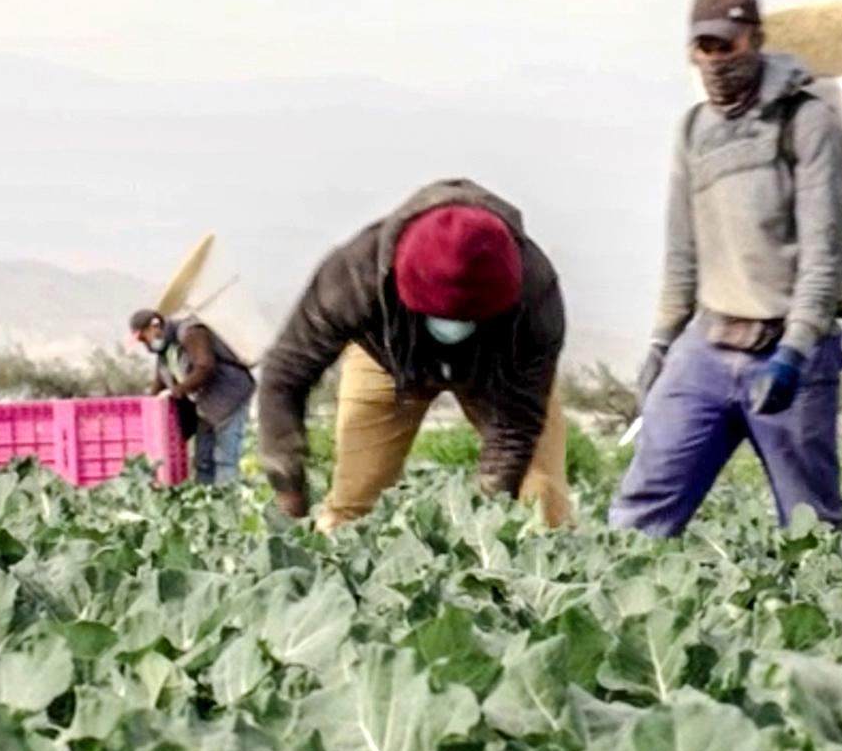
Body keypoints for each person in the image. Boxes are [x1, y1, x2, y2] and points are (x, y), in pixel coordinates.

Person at [609, 0, 842, 536]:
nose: (717, 59)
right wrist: (661, 343)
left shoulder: (805, 121)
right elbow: (682, 254)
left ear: (757, 41)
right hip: (707, 347)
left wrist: (795, 350)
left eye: (729, 44)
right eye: (706, 47)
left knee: (812, 529)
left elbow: (824, 254)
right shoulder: (694, 129)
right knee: (638, 517)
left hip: (788, 351)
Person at [258, 181, 569, 530]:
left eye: (467, 318)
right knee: (352, 505)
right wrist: (289, 494)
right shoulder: (356, 276)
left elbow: (516, 426)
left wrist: (491, 525)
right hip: (385, 360)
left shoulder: (536, 296)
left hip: (497, 371)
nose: (453, 327)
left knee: (542, 501)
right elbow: (285, 376)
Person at [130, 308, 255, 485]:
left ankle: (229, 497)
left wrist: (178, 390)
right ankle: (207, 496)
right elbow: (160, 383)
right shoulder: (165, 352)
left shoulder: (191, 332)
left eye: (144, 337)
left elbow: (205, 366)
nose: (145, 343)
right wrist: (147, 407)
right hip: (206, 405)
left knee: (225, 459)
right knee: (203, 460)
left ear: (155, 326)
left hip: (229, 397)